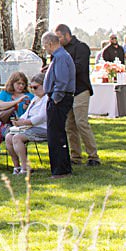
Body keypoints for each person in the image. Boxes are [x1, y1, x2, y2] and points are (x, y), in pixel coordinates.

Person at [55, 24, 99, 166]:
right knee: (70, 125)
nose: (58, 40)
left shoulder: (81, 47)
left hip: (80, 89)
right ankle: (75, 156)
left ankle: (93, 156)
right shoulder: (59, 50)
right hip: (67, 91)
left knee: (81, 122)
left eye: (59, 37)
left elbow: (79, 67)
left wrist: (60, 68)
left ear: (67, 34)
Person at [43, 32, 75, 178]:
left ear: (50, 43)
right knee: (57, 134)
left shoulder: (61, 57)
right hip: (58, 98)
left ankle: (60, 170)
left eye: (45, 46)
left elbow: (62, 81)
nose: (45, 49)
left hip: (59, 99)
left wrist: (56, 98)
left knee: (56, 135)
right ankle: (62, 168)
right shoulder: (60, 57)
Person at [4, 76, 49, 175]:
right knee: (8, 137)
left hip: (42, 128)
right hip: (29, 127)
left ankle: (25, 168)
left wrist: (24, 122)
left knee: (17, 138)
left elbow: (41, 117)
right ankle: (17, 166)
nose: (33, 90)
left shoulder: (47, 98)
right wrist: (19, 120)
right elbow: (27, 113)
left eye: (35, 87)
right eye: (31, 87)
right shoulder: (35, 98)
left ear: (44, 85)